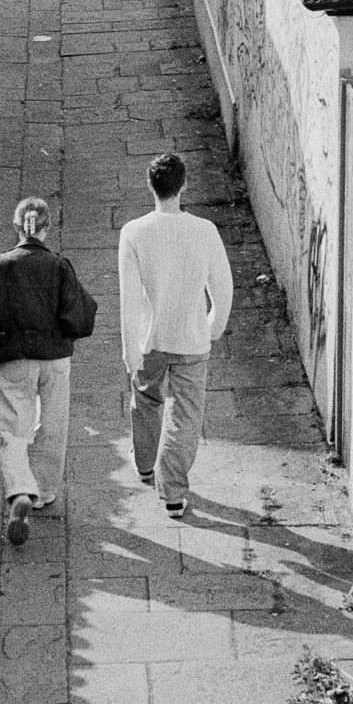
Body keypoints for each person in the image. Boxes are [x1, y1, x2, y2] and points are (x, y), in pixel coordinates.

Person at [0, 197, 97, 546]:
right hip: (54, 358)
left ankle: (20, 488)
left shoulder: (0, 264)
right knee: (53, 424)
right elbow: (78, 316)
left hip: (14, 359)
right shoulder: (59, 266)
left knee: (14, 430)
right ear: (47, 227)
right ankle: (43, 492)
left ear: (16, 226)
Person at [118, 152, 233, 519]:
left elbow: (129, 298)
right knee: (185, 415)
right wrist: (212, 327)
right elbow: (224, 288)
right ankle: (173, 492)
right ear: (183, 186)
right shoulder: (204, 230)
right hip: (191, 340)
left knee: (146, 400)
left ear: (150, 187)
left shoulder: (133, 232)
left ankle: (145, 465)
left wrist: (130, 350)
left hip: (151, 339)